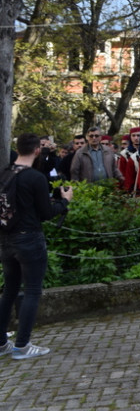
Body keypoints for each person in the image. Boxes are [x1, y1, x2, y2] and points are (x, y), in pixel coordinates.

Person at [0, 134, 73, 359]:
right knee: (32, 290)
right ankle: (22, 346)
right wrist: (65, 201)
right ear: (38, 151)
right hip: (29, 239)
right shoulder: (34, 177)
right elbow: (45, 213)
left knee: (9, 290)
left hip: (6, 239)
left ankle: (2, 343)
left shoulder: (4, 173)